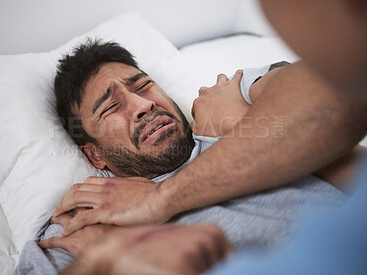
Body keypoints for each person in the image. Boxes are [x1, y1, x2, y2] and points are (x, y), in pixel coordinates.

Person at [53, 0, 367, 274]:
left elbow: (339, 92)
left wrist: (238, 121)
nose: (143, 105)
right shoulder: (91, 214)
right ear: (95, 155)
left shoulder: (236, 100)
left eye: (143, 86)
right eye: (110, 108)